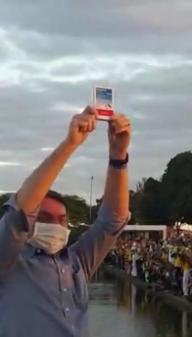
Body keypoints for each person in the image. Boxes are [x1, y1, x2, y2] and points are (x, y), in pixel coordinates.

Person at [0, 106, 131, 337]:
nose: (56, 226)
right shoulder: (8, 260)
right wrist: (71, 144)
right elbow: (20, 211)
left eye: (62, 220)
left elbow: (113, 220)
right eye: (45, 218)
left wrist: (119, 156)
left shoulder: (77, 261)